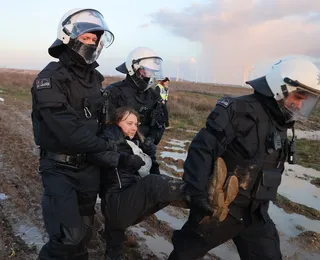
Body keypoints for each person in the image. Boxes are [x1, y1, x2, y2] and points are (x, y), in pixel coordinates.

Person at [168, 57, 320, 260]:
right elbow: (202, 149)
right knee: (184, 254)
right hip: (220, 210)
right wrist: (196, 192)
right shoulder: (236, 110)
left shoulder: (282, 122)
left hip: (256, 214)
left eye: (305, 100)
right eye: (299, 98)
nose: (300, 105)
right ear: (281, 87)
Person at [86, 107, 239, 260]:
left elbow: (153, 176)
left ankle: (212, 203)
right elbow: (95, 154)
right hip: (116, 204)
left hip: (125, 208)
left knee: (159, 190)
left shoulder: (135, 145)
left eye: (136, 124)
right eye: (129, 123)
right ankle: (207, 193)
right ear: (116, 122)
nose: (134, 127)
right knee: (153, 184)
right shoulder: (109, 135)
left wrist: (151, 157)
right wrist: (122, 159)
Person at [31, 8, 116, 259]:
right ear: (69, 37)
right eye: (86, 37)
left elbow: (102, 122)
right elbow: (66, 130)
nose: (91, 43)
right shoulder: (50, 78)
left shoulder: (95, 80)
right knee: (67, 239)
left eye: (95, 39)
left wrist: (116, 138)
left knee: (83, 240)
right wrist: (107, 148)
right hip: (59, 168)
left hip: (89, 169)